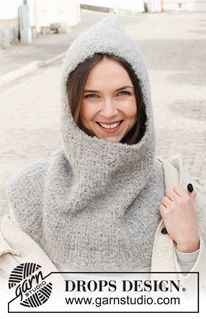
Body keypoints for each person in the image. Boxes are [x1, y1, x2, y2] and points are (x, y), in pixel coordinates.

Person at [0, 17, 206, 293]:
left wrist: (190, 246)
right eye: (91, 96)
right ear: (71, 102)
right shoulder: (31, 193)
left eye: (122, 93)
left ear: (141, 98)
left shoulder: (179, 194)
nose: (109, 111)